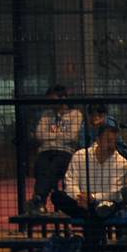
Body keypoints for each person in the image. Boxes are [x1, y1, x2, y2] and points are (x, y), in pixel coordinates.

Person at [50, 118, 127, 252]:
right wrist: (79, 197)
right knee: (57, 196)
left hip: (105, 204)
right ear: (98, 139)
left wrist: (93, 198)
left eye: (114, 141)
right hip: (80, 202)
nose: (111, 144)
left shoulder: (121, 162)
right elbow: (70, 181)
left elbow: (116, 192)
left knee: (96, 213)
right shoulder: (80, 156)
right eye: (107, 140)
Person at [28, 85, 83, 214]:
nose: (51, 104)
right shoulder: (46, 115)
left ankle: (39, 198)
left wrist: (51, 136)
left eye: (53, 100)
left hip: (65, 151)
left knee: (56, 164)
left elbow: (72, 136)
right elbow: (39, 135)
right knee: (41, 164)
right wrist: (59, 136)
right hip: (46, 150)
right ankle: (40, 199)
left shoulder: (75, 114)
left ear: (63, 98)